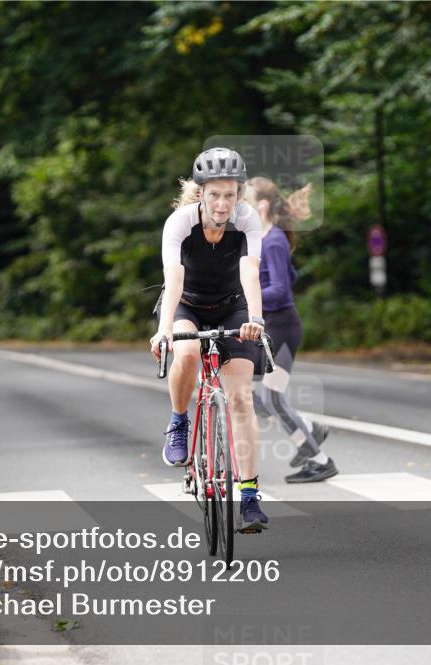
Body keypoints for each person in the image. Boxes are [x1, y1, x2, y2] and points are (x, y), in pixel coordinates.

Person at [150, 147, 269, 532]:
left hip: (233, 307)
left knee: (240, 398)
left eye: (230, 194)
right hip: (187, 306)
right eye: (214, 193)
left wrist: (255, 319)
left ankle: (249, 496)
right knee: (185, 350)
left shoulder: (247, 220)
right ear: (200, 192)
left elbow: (250, 270)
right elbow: (174, 279)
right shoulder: (179, 223)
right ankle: (179, 421)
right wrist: (165, 329)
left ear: (239, 195)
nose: (222, 203)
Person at [241, 177, 338, 483]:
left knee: (271, 398)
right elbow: (290, 275)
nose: (240, 206)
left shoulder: (273, 241)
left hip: (282, 329)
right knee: (246, 392)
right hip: (268, 329)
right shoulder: (262, 239)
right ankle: (310, 429)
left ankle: (320, 461)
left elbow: (281, 291)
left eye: (245, 200)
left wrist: (247, 298)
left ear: (262, 205)